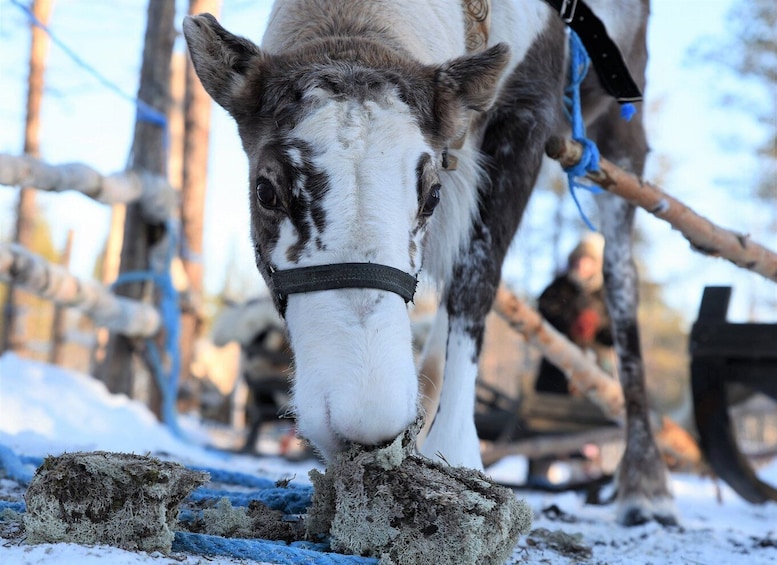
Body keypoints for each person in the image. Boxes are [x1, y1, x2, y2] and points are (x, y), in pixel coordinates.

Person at [527, 233, 616, 486]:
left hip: (592, 371)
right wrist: (570, 323)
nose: (582, 264)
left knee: (591, 423)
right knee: (545, 420)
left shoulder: (604, 295)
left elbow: (613, 335)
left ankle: (588, 472)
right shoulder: (558, 288)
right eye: (579, 259)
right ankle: (539, 469)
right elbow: (543, 317)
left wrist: (596, 325)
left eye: (588, 260)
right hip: (556, 371)